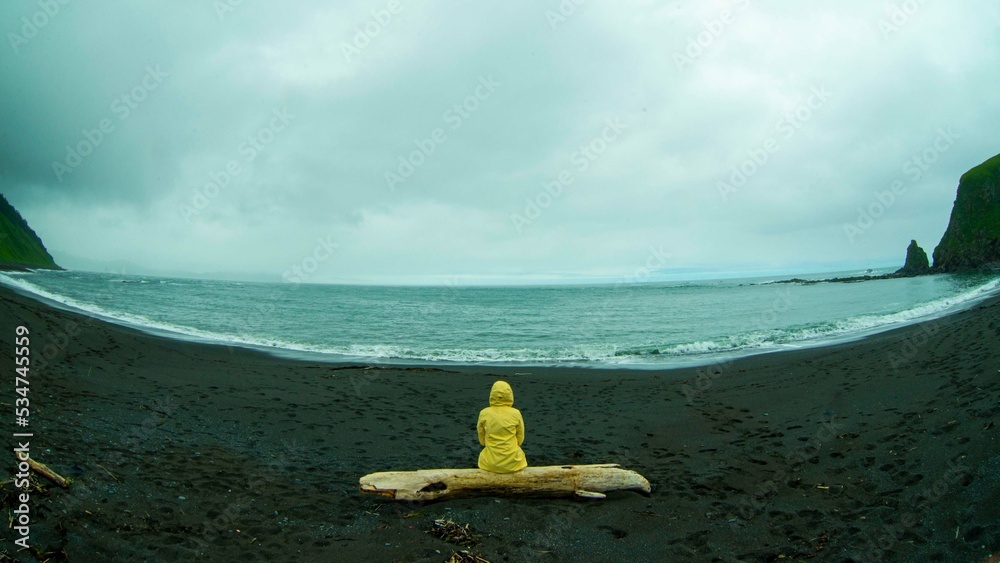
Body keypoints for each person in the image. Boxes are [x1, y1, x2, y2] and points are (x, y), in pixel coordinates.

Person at [477, 380, 527, 473]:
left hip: (490, 462)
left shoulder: (484, 413)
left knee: (484, 456)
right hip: (513, 462)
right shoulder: (516, 413)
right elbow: (520, 438)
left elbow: (481, 438)